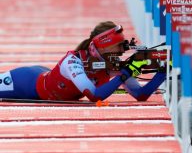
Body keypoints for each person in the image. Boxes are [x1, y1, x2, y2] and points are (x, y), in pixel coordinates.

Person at [0, 21, 166, 102]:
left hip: (43, 76)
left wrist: (162, 73)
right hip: (25, 83)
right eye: (115, 48)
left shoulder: (112, 65)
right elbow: (95, 96)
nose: (119, 53)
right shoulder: (72, 61)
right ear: (98, 48)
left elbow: (141, 95)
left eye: (120, 49)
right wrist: (126, 73)